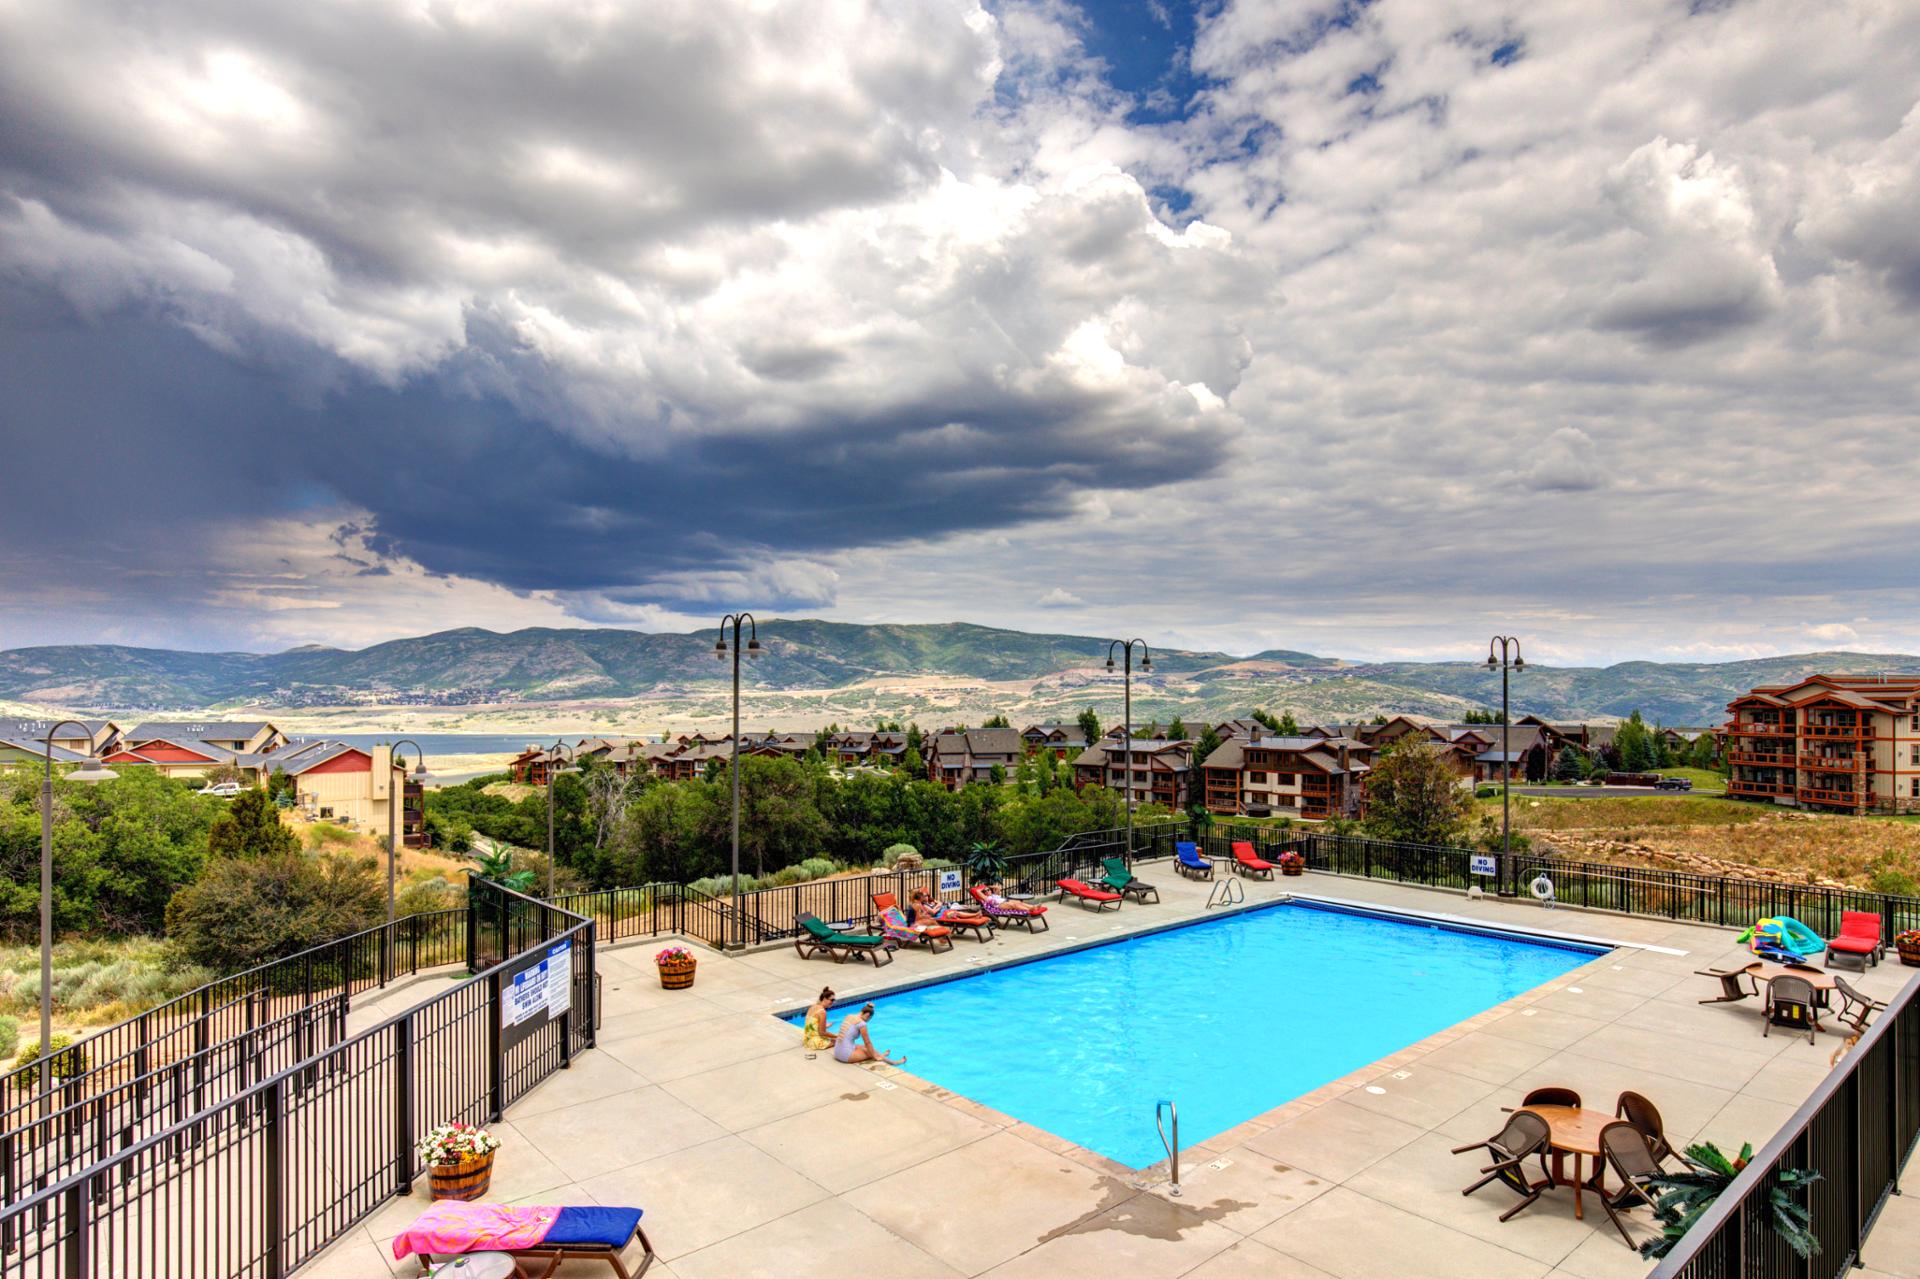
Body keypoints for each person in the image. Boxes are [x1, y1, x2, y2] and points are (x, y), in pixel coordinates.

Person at [833, 1003, 905, 1066]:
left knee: (864, 1047)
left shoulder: (849, 1016)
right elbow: (868, 1043)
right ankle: (894, 1062)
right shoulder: (861, 1023)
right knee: (869, 1051)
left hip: (836, 1052)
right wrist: (874, 1056)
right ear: (867, 1015)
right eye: (869, 1019)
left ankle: (882, 1055)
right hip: (845, 1056)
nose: (867, 1021)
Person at [801, 986, 836, 1053]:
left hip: (807, 1040)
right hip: (815, 1043)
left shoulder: (813, 1007)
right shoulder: (822, 1012)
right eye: (832, 1000)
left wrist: (825, 1026)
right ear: (825, 999)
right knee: (838, 1041)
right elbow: (822, 1033)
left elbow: (812, 1024)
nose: (833, 1002)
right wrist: (836, 1036)